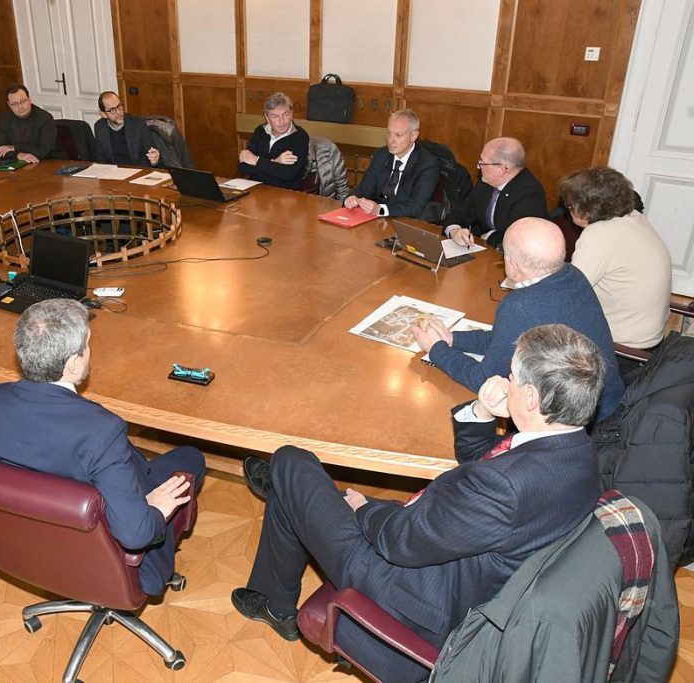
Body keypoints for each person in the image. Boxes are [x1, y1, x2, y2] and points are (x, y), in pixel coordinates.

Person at [233, 324, 604, 681]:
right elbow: (487, 465)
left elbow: (399, 541)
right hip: (451, 555)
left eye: (512, 376)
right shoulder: (578, 455)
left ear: (531, 398)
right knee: (296, 491)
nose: (505, 381)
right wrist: (482, 412)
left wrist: (363, 509)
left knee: (291, 462)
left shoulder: (505, 487)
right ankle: (274, 599)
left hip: (407, 593)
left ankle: (278, 490)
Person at [0, 298, 205, 595]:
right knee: (191, 457)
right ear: (72, 365)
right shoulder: (100, 431)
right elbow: (135, 534)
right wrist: (156, 510)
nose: (89, 351)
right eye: (86, 346)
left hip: (29, 542)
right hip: (102, 553)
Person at [412, 217, 624, 424]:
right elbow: (506, 338)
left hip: (583, 423)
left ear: (512, 266)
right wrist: (453, 339)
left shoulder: (520, 305)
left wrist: (437, 349)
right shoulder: (573, 275)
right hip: (609, 403)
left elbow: (486, 380)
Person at [560, 167, 672, 358]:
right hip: (651, 339)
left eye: (569, 205)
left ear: (584, 209)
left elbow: (568, 292)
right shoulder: (634, 217)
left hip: (623, 351)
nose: (568, 210)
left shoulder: (599, 234)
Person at [445, 137, 546, 249]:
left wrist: (489, 236)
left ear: (501, 169)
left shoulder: (529, 195)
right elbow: (462, 211)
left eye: (483, 163)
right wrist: (455, 230)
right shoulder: (487, 182)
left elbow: (518, 241)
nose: (478, 166)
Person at [343, 109, 439, 218]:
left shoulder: (427, 164)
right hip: (375, 218)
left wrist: (380, 210)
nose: (391, 140)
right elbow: (365, 189)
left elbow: (415, 206)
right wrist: (353, 199)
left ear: (414, 136)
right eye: (389, 133)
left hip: (405, 220)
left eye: (398, 135)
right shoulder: (381, 154)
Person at [238, 92, 309, 190]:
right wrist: (275, 161)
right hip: (256, 188)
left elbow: (288, 174)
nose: (281, 121)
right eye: (275, 116)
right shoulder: (260, 131)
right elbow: (243, 167)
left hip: (285, 192)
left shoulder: (300, 136)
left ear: (291, 114)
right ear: (267, 117)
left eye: (286, 114)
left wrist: (255, 160)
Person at [93, 91, 160, 167]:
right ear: (103, 114)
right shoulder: (100, 127)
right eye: (112, 110)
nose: (118, 112)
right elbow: (101, 158)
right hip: (114, 171)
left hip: (137, 169)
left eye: (119, 106)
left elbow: (152, 154)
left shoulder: (138, 124)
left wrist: (154, 160)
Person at [0, 84, 56, 163]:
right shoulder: (6, 118)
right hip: (17, 163)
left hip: (42, 164)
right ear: (9, 104)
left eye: (23, 101)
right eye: (14, 104)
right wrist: (18, 155)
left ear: (29, 99)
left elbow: (45, 152)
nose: (20, 107)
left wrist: (15, 148)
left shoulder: (45, 118)